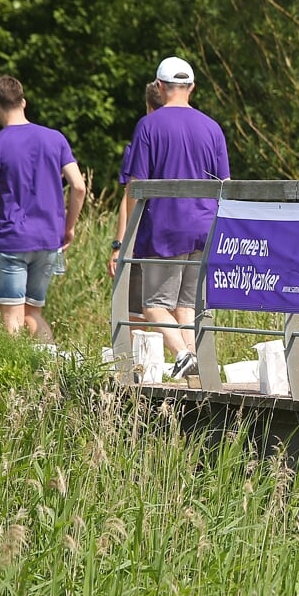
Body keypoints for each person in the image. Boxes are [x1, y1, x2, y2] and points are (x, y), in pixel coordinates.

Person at [122, 57, 231, 378]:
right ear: (192, 87)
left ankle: (183, 353)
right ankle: (196, 365)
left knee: (154, 304)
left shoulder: (149, 126)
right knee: (186, 305)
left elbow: (136, 185)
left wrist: (128, 234)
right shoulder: (212, 127)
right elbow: (225, 183)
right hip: (205, 226)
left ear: (159, 87)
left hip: (164, 228)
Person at [0, 76, 87, 342]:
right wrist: (68, 227)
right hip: (48, 239)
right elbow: (79, 187)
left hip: (12, 240)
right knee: (33, 314)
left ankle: (16, 379)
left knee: (12, 317)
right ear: (23, 102)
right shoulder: (55, 139)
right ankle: (49, 370)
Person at [108, 81, 166, 329]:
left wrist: (121, 244)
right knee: (177, 309)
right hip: (184, 239)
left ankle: (138, 365)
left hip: (146, 237)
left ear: (148, 106)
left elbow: (128, 196)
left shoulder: (142, 141)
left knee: (136, 315)